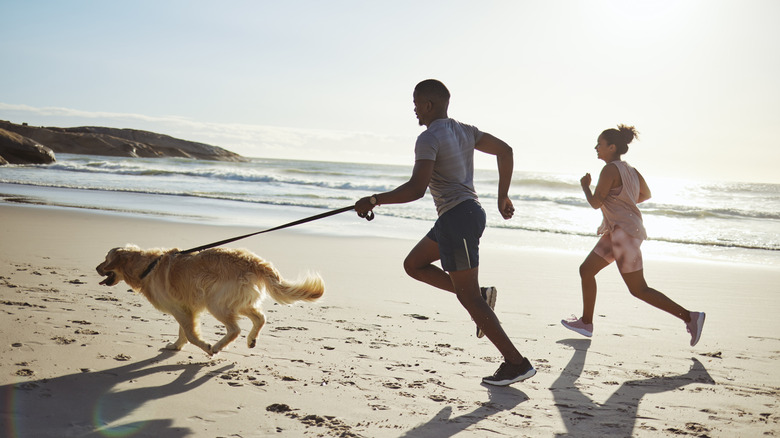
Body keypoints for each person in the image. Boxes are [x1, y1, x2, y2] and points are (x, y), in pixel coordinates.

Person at [354, 79, 535, 386]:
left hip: (457, 220)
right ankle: (481, 296)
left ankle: (517, 364)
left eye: (415, 103)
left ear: (428, 104)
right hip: (465, 215)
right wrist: (502, 195)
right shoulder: (465, 130)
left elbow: (416, 189)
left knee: (468, 299)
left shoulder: (427, 138)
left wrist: (373, 200)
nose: (413, 109)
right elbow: (505, 151)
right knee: (414, 265)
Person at [561, 124, 705, 346]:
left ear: (611, 147)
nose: (596, 147)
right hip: (619, 231)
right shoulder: (631, 170)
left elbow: (595, 203)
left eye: (599, 144)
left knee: (639, 289)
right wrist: (623, 201)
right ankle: (586, 323)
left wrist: (585, 187)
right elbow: (645, 194)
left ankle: (690, 317)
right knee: (586, 270)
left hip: (624, 234)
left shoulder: (609, 170)